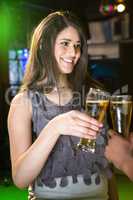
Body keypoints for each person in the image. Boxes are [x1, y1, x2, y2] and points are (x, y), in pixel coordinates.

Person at [8, 11, 118, 200]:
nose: (74, 53)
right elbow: (20, 179)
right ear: (44, 45)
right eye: (65, 44)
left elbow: (105, 163)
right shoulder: (24, 102)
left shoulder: (92, 95)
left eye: (77, 46)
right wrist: (55, 127)